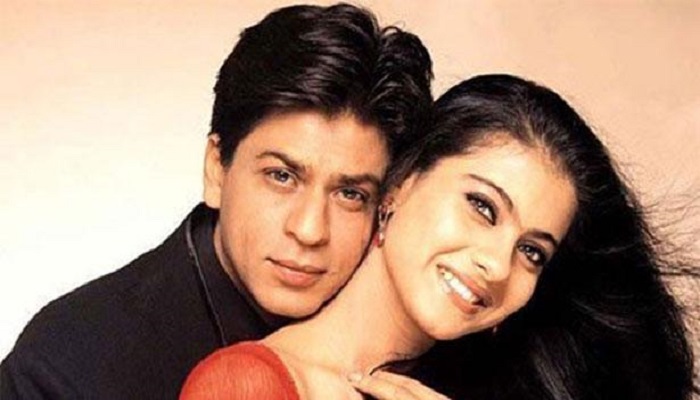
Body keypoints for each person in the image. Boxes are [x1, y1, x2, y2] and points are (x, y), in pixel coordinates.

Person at [0, 4, 433, 399]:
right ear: (216, 169)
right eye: (281, 176)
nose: (309, 230)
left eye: (350, 194)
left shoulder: (428, 341)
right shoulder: (71, 365)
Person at [179, 74, 695, 400]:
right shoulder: (249, 386)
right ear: (401, 184)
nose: (499, 265)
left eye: (532, 252)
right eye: (482, 207)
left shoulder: (499, 384)